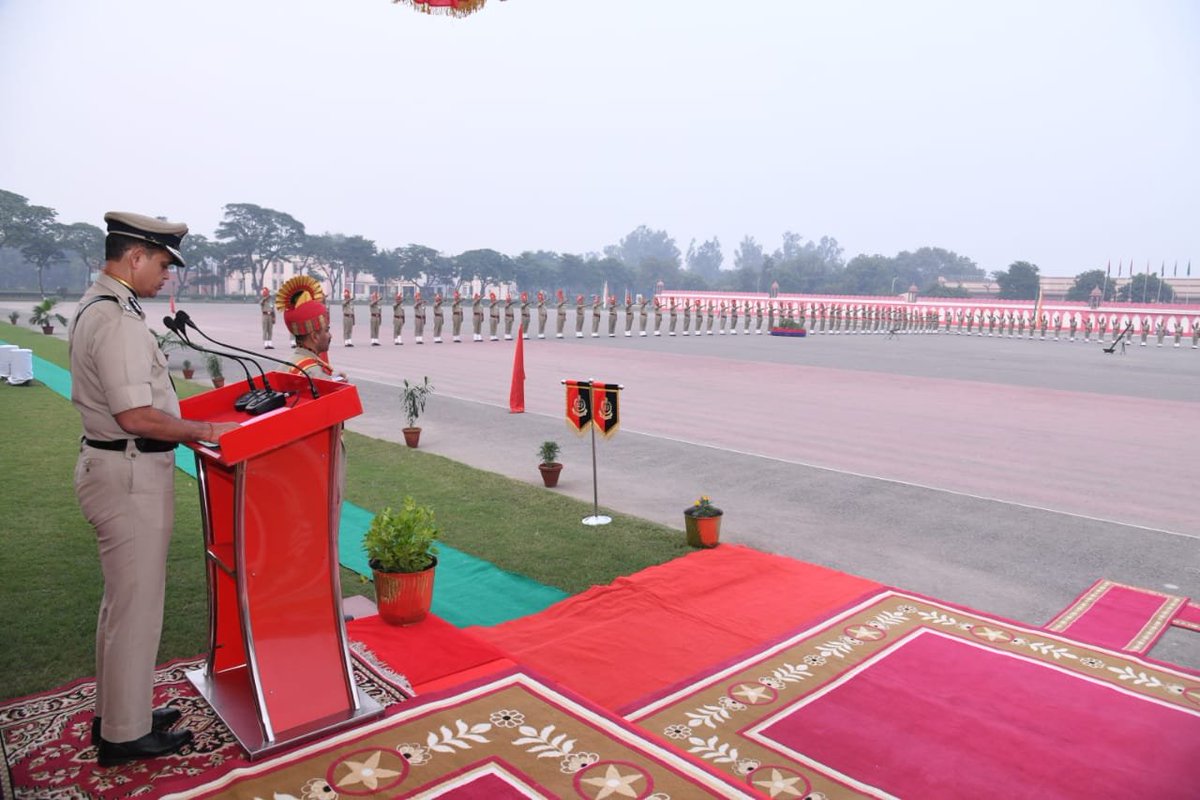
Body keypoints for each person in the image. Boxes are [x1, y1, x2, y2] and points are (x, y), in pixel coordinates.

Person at [70, 211, 240, 766]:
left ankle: (119, 713)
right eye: (164, 264)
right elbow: (136, 414)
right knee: (137, 605)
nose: (168, 276)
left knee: (122, 605)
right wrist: (205, 430)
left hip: (117, 468)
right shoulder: (116, 319)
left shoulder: (101, 305)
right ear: (135, 256)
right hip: (129, 474)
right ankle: (124, 736)